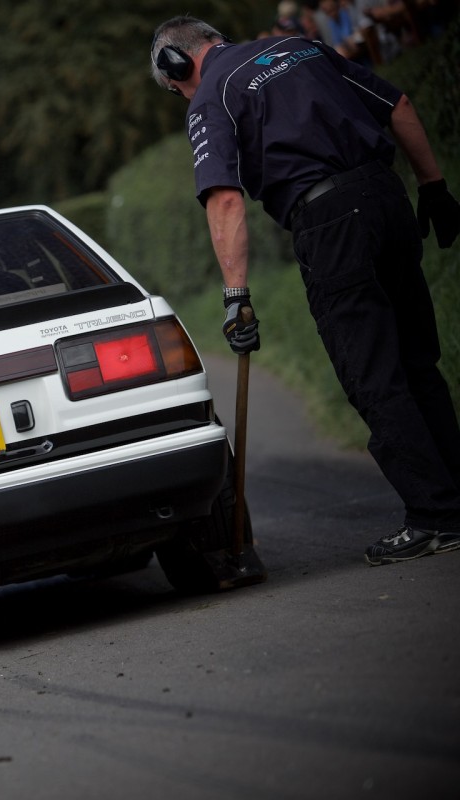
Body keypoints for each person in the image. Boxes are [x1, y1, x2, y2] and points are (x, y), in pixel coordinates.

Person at [148, 16, 460, 566]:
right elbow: (400, 107)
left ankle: (436, 517)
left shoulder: (212, 95)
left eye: (177, 89)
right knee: (418, 362)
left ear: (177, 65)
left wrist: (235, 297)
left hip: (329, 221)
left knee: (374, 376)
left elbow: (224, 199)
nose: (183, 97)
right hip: (387, 197)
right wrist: (434, 188)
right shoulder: (299, 46)